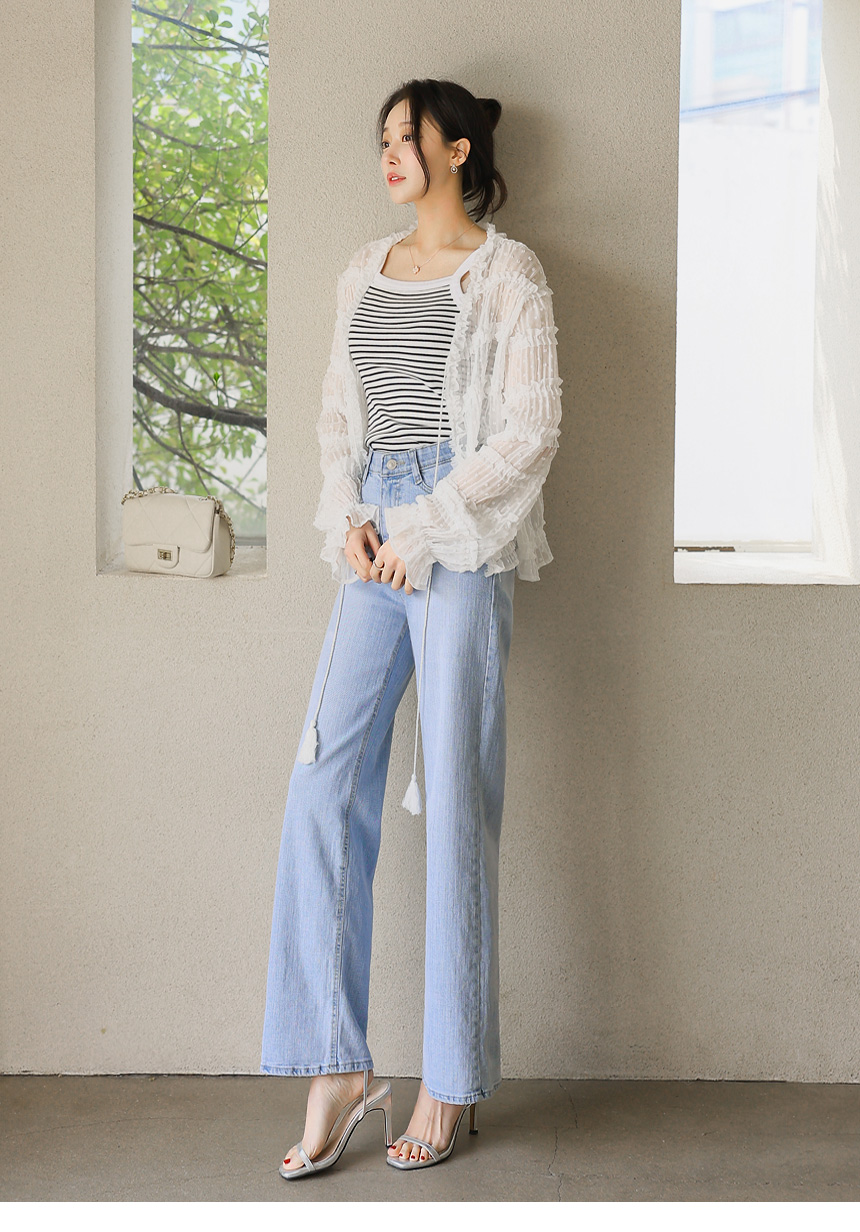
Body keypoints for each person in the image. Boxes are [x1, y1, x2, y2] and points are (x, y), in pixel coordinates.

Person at [260, 77, 563, 1177]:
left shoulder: (508, 273)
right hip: (370, 542)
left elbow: (530, 429)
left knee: (455, 799)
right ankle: (336, 1065)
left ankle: (448, 1075)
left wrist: (424, 526)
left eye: (408, 135)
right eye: (382, 137)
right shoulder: (362, 269)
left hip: (460, 543)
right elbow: (338, 413)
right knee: (321, 779)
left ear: (458, 148)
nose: (389, 152)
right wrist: (348, 514)